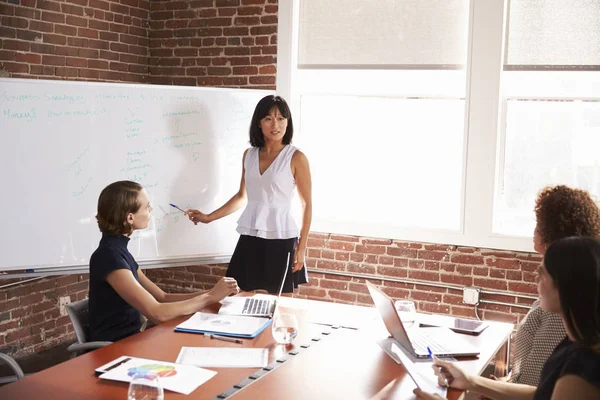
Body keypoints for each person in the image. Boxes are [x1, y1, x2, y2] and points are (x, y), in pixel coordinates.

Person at [415, 236, 600, 400]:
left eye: (541, 275)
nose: (536, 282)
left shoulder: (582, 371)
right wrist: (470, 381)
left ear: (565, 288)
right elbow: (540, 394)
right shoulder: (575, 340)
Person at [186, 95, 312, 294]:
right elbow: (242, 196)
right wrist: (209, 218)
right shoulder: (249, 154)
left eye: (281, 118)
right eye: (268, 118)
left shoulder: (296, 157)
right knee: (237, 294)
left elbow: (307, 205)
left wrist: (302, 247)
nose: (275, 124)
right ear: (259, 123)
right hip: (251, 233)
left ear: (288, 122)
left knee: (281, 301)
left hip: (282, 235)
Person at [89, 180, 240, 342]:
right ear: (130, 218)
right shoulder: (109, 257)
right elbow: (157, 313)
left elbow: (162, 297)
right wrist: (209, 297)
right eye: (147, 207)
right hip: (115, 348)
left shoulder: (118, 252)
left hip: (133, 340)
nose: (150, 210)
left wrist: (215, 293)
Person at [507, 185, 600, 386]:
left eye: (538, 224)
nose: (534, 231)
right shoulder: (560, 285)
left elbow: (538, 384)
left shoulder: (561, 300)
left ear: (552, 231)